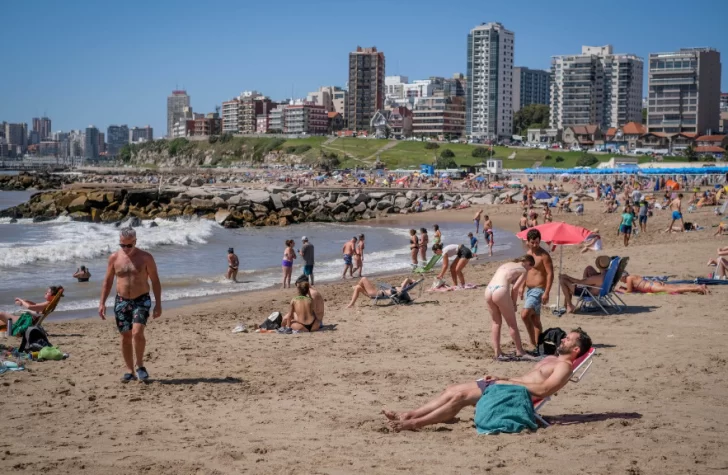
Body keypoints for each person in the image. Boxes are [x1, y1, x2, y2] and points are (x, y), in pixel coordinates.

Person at [382, 329, 592, 432]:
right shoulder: (552, 358)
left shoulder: (564, 367)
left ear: (575, 350)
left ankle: (415, 423)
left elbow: (545, 390)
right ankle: (410, 413)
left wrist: (507, 381)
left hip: (516, 394)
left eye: (568, 339)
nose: (562, 338)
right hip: (508, 385)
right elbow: (529, 378)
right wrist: (502, 378)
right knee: (452, 389)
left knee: (461, 396)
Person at [99, 227, 162, 383]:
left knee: (137, 332)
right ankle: (129, 371)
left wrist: (158, 304)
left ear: (135, 241)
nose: (126, 248)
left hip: (141, 299)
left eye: (129, 245)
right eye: (122, 245)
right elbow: (107, 282)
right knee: (125, 336)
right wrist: (102, 303)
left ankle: (140, 366)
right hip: (121, 301)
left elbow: (155, 281)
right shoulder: (114, 258)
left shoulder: (146, 258)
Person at [485, 256, 534, 360]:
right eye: (530, 267)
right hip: (500, 291)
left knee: (496, 322)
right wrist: (514, 303)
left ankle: (497, 351)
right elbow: (515, 289)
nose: (529, 270)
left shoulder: (506, 264)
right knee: (512, 324)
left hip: (489, 289)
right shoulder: (524, 270)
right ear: (528, 263)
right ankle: (519, 350)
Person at [520, 229, 553, 349]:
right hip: (529, 290)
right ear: (528, 242)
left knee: (524, 315)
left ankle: (532, 342)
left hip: (539, 290)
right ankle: (539, 345)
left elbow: (550, 274)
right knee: (535, 319)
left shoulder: (544, 255)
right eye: (532, 242)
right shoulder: (527, 255)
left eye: (537, 242)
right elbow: (525, 272)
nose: (535, 245)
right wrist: (522, 287)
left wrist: (547, 292)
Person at [346, 276, 417, 308]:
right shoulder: (401, 289)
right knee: (358, 288)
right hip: (375, 294)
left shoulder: (401, 289)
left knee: (363, 278)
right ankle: (351, 304)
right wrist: (410, 282)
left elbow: (407, 279)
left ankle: (355, 287)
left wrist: (411, 281)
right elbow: (405, 283)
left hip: (376, 294)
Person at [618, 273, 709, 295]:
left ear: (623, 276)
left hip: (652, 287)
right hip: (653, 283)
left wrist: (618, 289)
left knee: (675, 289)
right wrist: (623, 287)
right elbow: (634, 288)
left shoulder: (629, 278)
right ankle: (698, 286)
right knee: (677, 287)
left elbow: (629, 291)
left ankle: (698, 289)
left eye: (620, 279)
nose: (621, 281)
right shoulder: (632, 276)